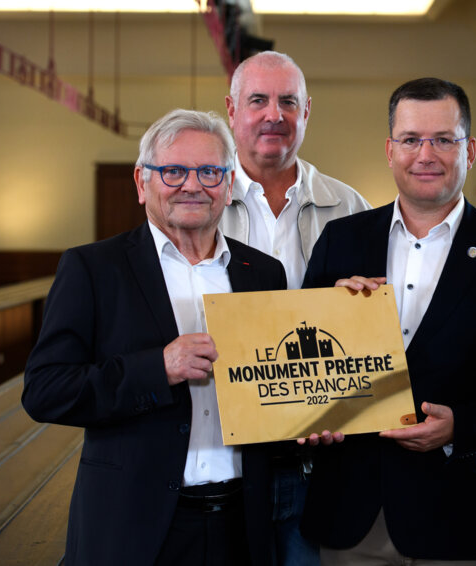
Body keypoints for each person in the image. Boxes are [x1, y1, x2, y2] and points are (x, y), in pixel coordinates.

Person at [22, 109, 287, 566]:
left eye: (209, 171)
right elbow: (45, 392)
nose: (191, 185)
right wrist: (156, 369)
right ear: (143, 182)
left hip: (242, 527)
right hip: (132, 527)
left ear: (228, 186)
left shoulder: (263, 272)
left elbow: (277, 390)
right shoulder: (93, 269)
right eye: (173, 171)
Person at [300, 77, 476, 565]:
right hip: (351, 512)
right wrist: (331, 313)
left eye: (443, 139)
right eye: (411, 139)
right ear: (390, 150)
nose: (425, 154)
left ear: (469, 150)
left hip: (460, 514)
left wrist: (462, 428)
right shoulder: (340, 241)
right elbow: (305, 365)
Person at [219, 50, 371, 565]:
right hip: (227, 463)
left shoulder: (350, 207)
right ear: (232, 110)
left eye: (288, 101)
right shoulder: (200, 203)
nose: (273, 114)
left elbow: (374, 332)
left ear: (307, 111)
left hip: (323, 459)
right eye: (258, 100)